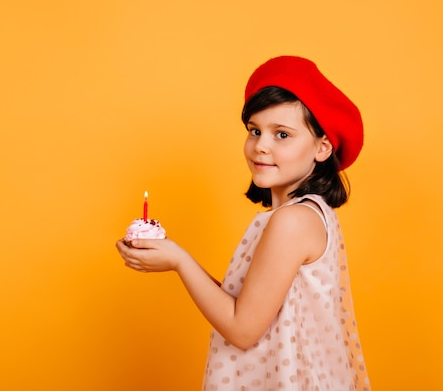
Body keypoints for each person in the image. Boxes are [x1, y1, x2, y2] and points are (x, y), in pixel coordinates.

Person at [116, 55, 370, 391]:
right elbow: (245, 306)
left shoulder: (293, 221)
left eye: (282, 134)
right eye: (254, 130)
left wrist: (178, 260)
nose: (260, 146)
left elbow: (242, 329)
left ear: (322, 147)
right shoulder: (303, 215)